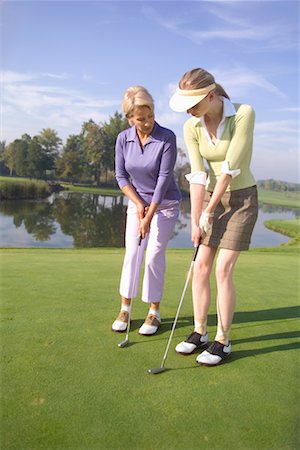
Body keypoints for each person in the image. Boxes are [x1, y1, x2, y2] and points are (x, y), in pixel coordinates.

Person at [169, 68, 258, 365]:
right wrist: (196, 219)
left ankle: (223, 340)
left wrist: (209, 210)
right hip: (209, 196)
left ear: (211, 96)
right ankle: (199, 332)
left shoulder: (243, 114)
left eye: (193, 105)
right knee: (200, 266)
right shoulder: (191, 127)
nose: (189, 111)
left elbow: (231, 168)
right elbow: (197, 176)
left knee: (223, 269)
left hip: (241, 198)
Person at [112, 86, 182, 336]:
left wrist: (149, 215)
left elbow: (164, 180)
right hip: (137, 202)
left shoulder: (167, 137)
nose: (147, 122)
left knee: (153, 254)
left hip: (165, 205)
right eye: (140, 119)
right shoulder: (123, 139)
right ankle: (125, 309)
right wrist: (139, 206)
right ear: (130, 118)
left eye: (150, 116)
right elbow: (121, 176)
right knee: (133, 253)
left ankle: (154, 312)